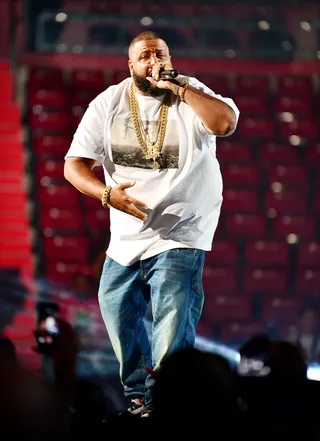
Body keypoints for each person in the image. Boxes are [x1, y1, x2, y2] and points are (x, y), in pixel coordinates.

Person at [64, 30, 239, 415]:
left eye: (159, 53)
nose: (153, 60)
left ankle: (169, 406)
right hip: (127, 236)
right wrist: (107, 195)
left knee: (171, 319)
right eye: (144, 55)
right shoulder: (108, 103)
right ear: (130, 66)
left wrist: (178, 85)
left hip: (181, 229)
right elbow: (73, 166)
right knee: (114, 308)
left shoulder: (190, 91)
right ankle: (139, 396)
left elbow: (224, 123)